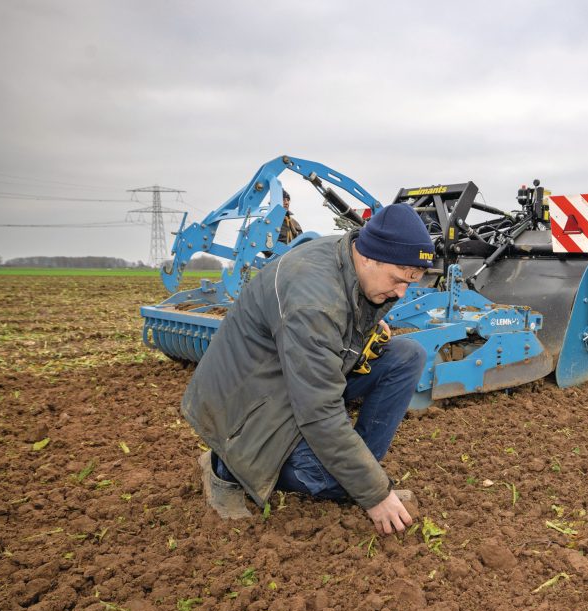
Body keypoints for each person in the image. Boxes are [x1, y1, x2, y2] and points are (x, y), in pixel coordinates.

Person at [182, 203, 435, 535]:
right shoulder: (314, 299)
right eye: (398, 280)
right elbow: (320, 411)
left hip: (287, 380)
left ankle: (356, 477)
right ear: (372, 257)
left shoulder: (351, 256)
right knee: (325, 478)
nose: (401, 292)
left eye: (411, 283)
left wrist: (365, 324)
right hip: (245, 405)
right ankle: (223, 467)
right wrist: (376, 495)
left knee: (407, 356)